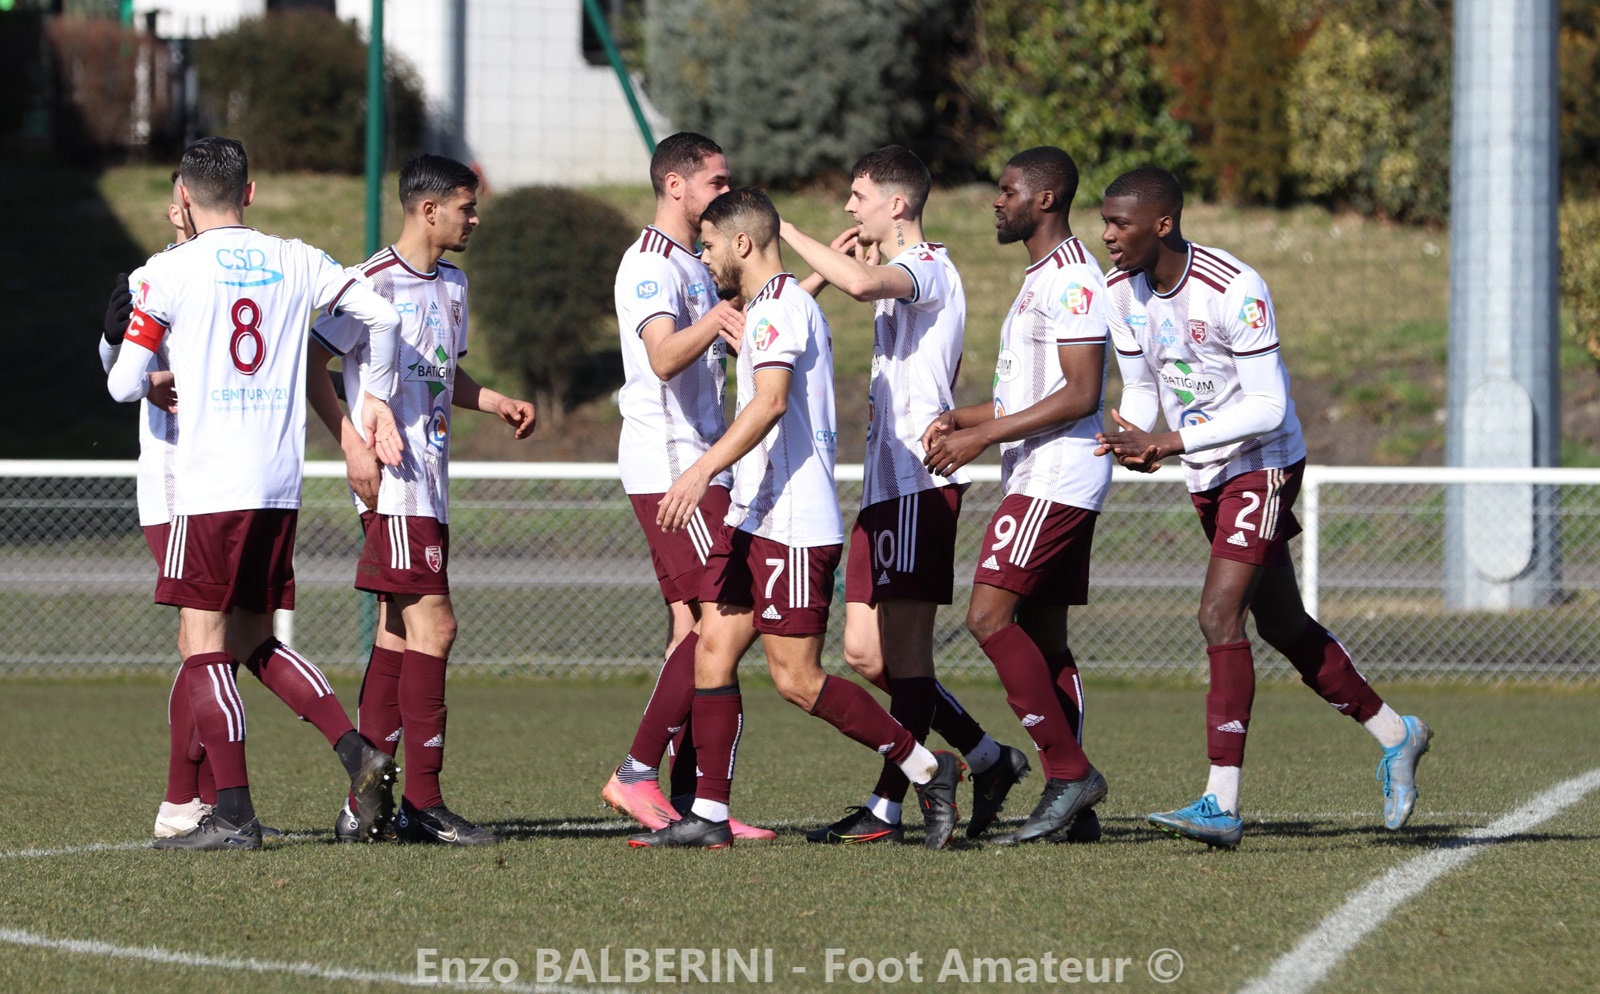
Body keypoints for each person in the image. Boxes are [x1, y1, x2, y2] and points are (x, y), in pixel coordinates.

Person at [1094, 165, 1432, 848]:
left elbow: (1268, 405)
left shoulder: (1234, 287)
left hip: (1265, 461)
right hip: (1205, 470)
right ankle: (1398, 735)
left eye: (1118, 224)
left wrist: (1170, 439)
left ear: (1162, 223)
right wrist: (1132, 437)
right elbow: (1140, 387)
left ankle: (1220, 803)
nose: (1106, 237)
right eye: (1104, 223)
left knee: (1219, 614)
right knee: (1281, 623)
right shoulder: (1118, 293)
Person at [628, 187, 960, 849]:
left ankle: (930, 767)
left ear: (743, 243)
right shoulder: (769, 308)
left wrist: (699, 470)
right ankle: (711, 817)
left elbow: (772, 403)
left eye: (712, 245)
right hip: (753, 517)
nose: (705, 256)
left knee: (798, 681)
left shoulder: (780, 308)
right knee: (713, 653)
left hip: (793, 528)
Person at [107, 136, 406, 850]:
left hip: (208, 483)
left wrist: (151, 372)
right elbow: (383, 319)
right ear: (249, 191)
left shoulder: (166, 272)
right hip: (278, 484)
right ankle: (355, 750)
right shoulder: (297, 258)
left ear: (182, 196)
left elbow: (122, 384)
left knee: (201, 643)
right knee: (248, 637)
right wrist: (375, 405)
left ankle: (232, 814)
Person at [777, 145, 1030, 848]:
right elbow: (840, 286)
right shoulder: (897, 268)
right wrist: (817, 260)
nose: (851, 208)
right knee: (865, 655)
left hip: (922, 485)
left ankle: (891, 803)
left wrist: (785, 232)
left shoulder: (928, 267)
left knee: (909, 658)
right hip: (884, 491)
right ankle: (984, 758)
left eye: (859, 196)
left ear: (896, 205)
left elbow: (862, 285)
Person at [307, 154, 536, 846]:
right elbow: (313, 366)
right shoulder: (370, 283)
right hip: (395, 486)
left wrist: (492, 400)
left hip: (430, 484)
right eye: (466, 207)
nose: (475, 219)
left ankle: (364, 805)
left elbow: (442, 375)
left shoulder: (455, 286)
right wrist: (351, 442)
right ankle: (424, 804)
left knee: (398, 632)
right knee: (436, 627)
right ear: (428, 210)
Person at [921, 146, 1112, 845]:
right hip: (1040, 470)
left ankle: (1068, 772)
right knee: (1045, 638)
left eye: (1009, 191)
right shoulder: (1039, 279)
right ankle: (1077, 810)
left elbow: (1082, 393)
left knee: (988, 617)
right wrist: (962, 421)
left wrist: (982, 438)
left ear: (1048, 196)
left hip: (1055, 476)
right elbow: (1021, 397)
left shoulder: (1074, 280)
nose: (997, 202)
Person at [599, 133, 774, 841]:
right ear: (676, 186)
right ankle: (639, 774)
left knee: (695, 630)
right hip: (674, 467)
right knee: (720, 623)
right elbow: (665, 356)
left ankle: (693, 808)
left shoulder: (695, 264)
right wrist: (714, 320)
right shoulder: (648, 262)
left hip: (702, 466)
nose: (726, 191)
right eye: (715, 181)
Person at [99, 171, 207, 839]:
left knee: (208, 643)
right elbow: (114, 366)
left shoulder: (243, 268)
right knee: (206, 639)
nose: (190, 209)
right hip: (173, 484)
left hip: (232, 481)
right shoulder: (150, 276)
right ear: (175, 208)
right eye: (183, 199)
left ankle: (202, 803)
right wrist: (121, 347)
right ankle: (184, 802)